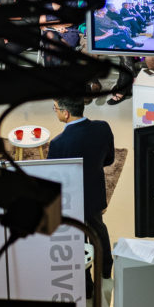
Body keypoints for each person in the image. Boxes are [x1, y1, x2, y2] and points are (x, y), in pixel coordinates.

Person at [47, 97, 115, 280]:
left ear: (66, 113)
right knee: (99, 229)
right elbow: (109, 160)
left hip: (71, 200)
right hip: (95, 194)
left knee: (78, 238)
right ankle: (106, 269)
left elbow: (52, 179)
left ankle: (85, 284)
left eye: (55, 109)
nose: (55, 112)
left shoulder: (58, 144)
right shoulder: (103, 127)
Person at [40, 0, 81, 67]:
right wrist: (55, 25)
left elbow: (71, 22)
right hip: (50, 31)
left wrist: (54, 23)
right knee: (50, 37)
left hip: (68, 32)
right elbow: (41, 23)